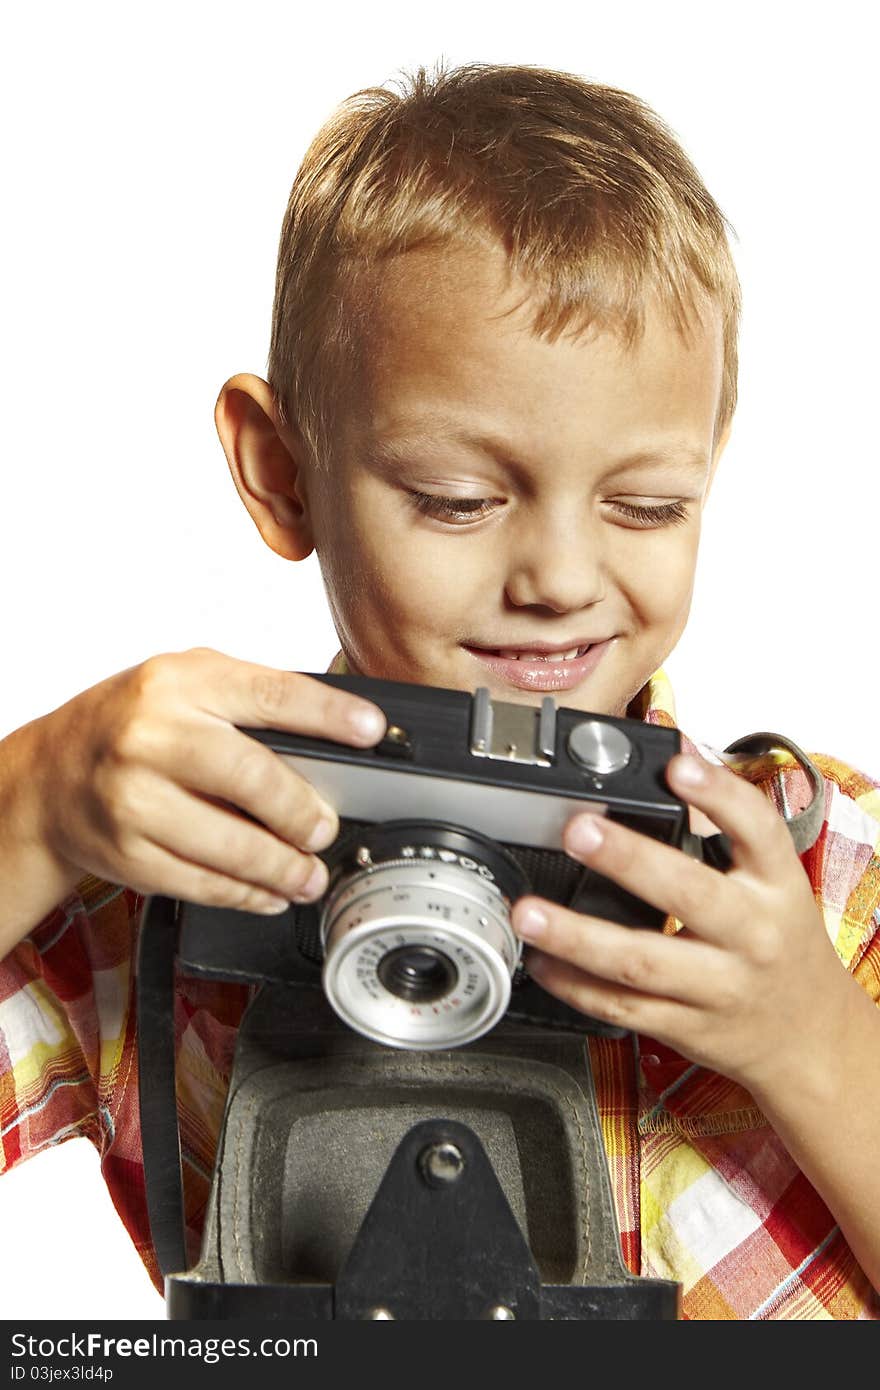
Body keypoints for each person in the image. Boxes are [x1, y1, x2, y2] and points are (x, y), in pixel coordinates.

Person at [1, 63, 878, 1321]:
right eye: (458, 499)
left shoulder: (825, 872)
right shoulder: (162, 863)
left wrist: (813, 1038)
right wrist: (33, 803)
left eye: (647, 505)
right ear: (282, 473)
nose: (561, 580)